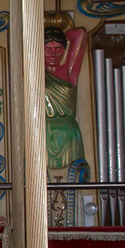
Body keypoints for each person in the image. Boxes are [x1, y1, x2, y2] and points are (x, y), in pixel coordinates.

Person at [42, 12, 88, 170]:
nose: (53, 54)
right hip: (44, 129)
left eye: (58, 49)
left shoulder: (68, 70)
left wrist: (63, 34)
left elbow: (80, 34)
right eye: (48, 49)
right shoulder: (33, 72)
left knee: (73, 176)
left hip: (68, 131)